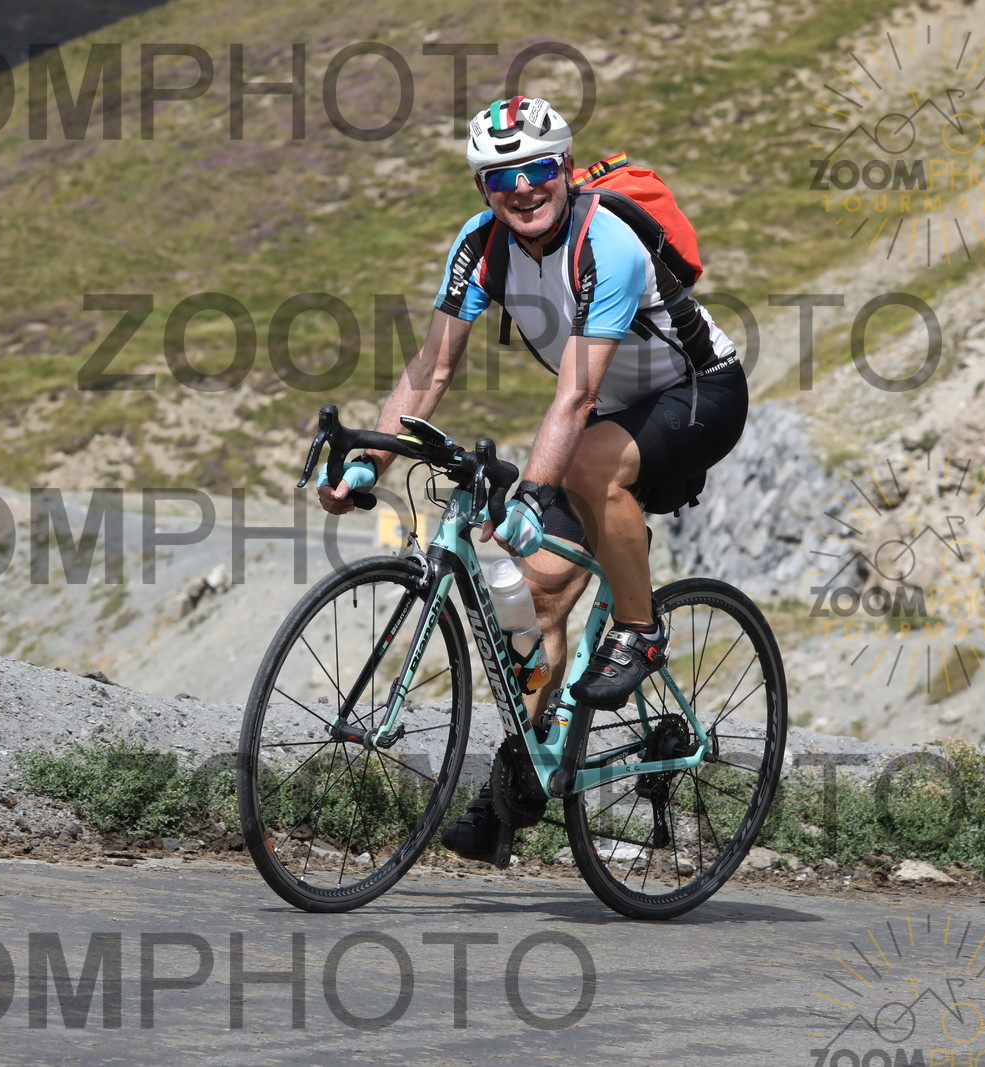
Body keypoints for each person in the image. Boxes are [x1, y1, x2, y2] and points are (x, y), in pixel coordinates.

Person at [317, 95, 748, 860]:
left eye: (538, 169)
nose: (522, 189)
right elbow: (431, 368)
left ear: (567, 167)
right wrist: (368, 461)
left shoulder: (606, 242)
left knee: (583, 465)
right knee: (532, 598)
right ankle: (517, 787)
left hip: (698, 395)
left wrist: (532, 496)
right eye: (500, 178)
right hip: (608, 415)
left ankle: (642, 631)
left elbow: (574, 398)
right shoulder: (481, 245)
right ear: (481, 188)